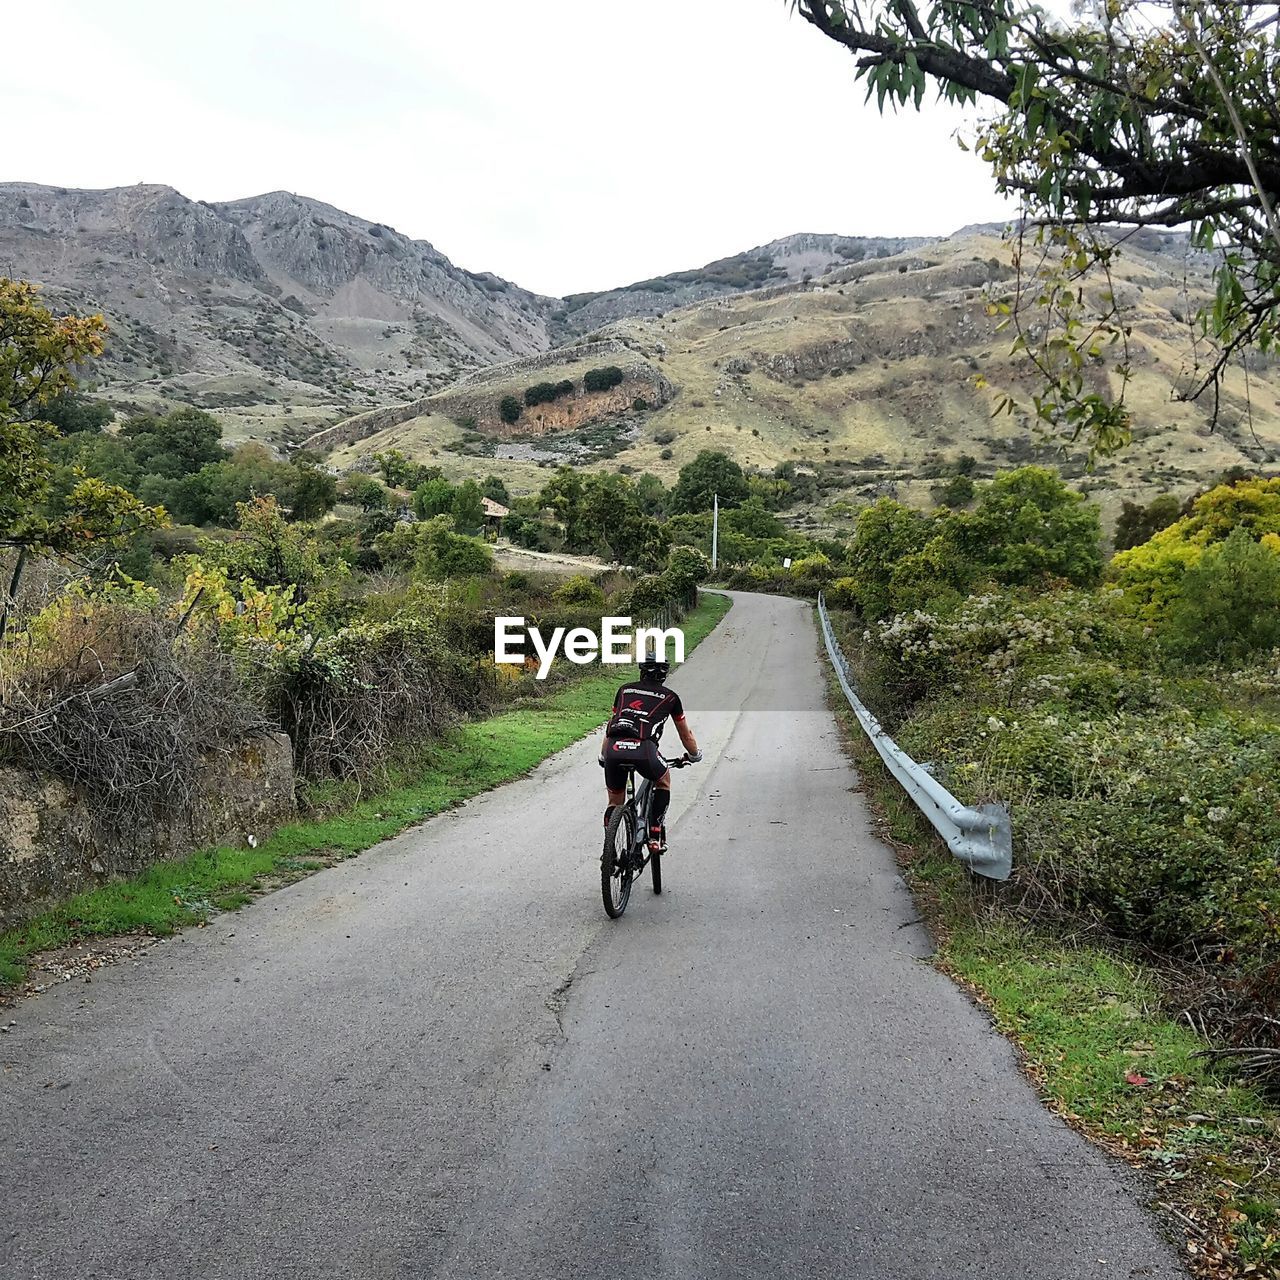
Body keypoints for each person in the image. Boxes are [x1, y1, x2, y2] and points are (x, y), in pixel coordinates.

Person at [599, 653, 702, 853]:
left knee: (614, 801)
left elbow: (613, 724)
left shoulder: (624, 690)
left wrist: (604, 756)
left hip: (614, 748)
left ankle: (609, 848)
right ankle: (655, 836)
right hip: (644, 751)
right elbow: (685, 735)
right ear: (664, 673)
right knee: (663, 781)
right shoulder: (671, 697)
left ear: (642, 670)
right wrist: (694, 755)